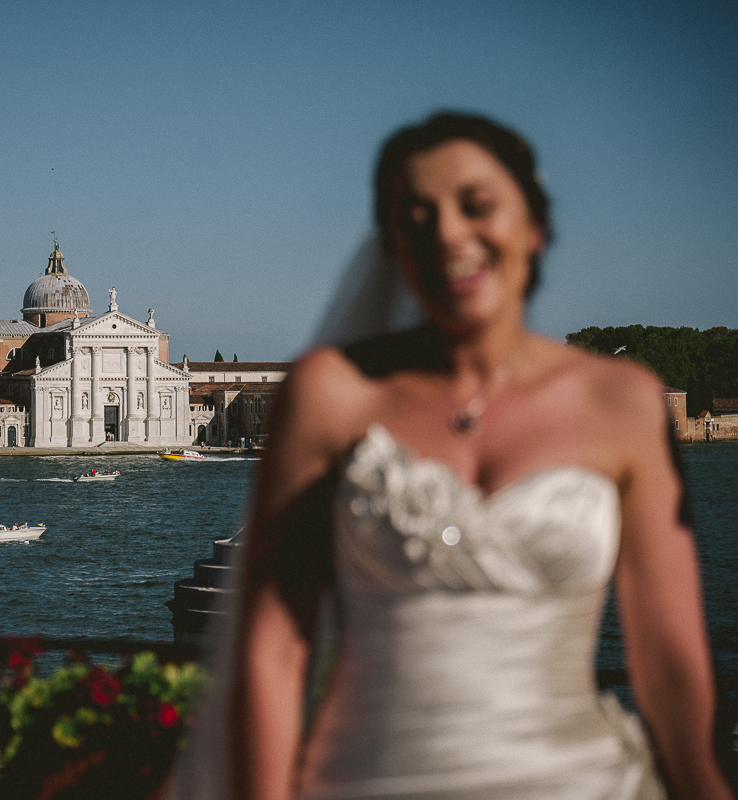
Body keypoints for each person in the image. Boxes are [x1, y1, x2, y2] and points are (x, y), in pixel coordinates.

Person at [174, 113, 733, 800]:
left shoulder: (623, 403)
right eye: (417, 216)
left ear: (535, 226)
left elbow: (669, 660)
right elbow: (274, 642)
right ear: (394, 248)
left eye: (477, 205)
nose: (447, 233)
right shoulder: (329, 396)